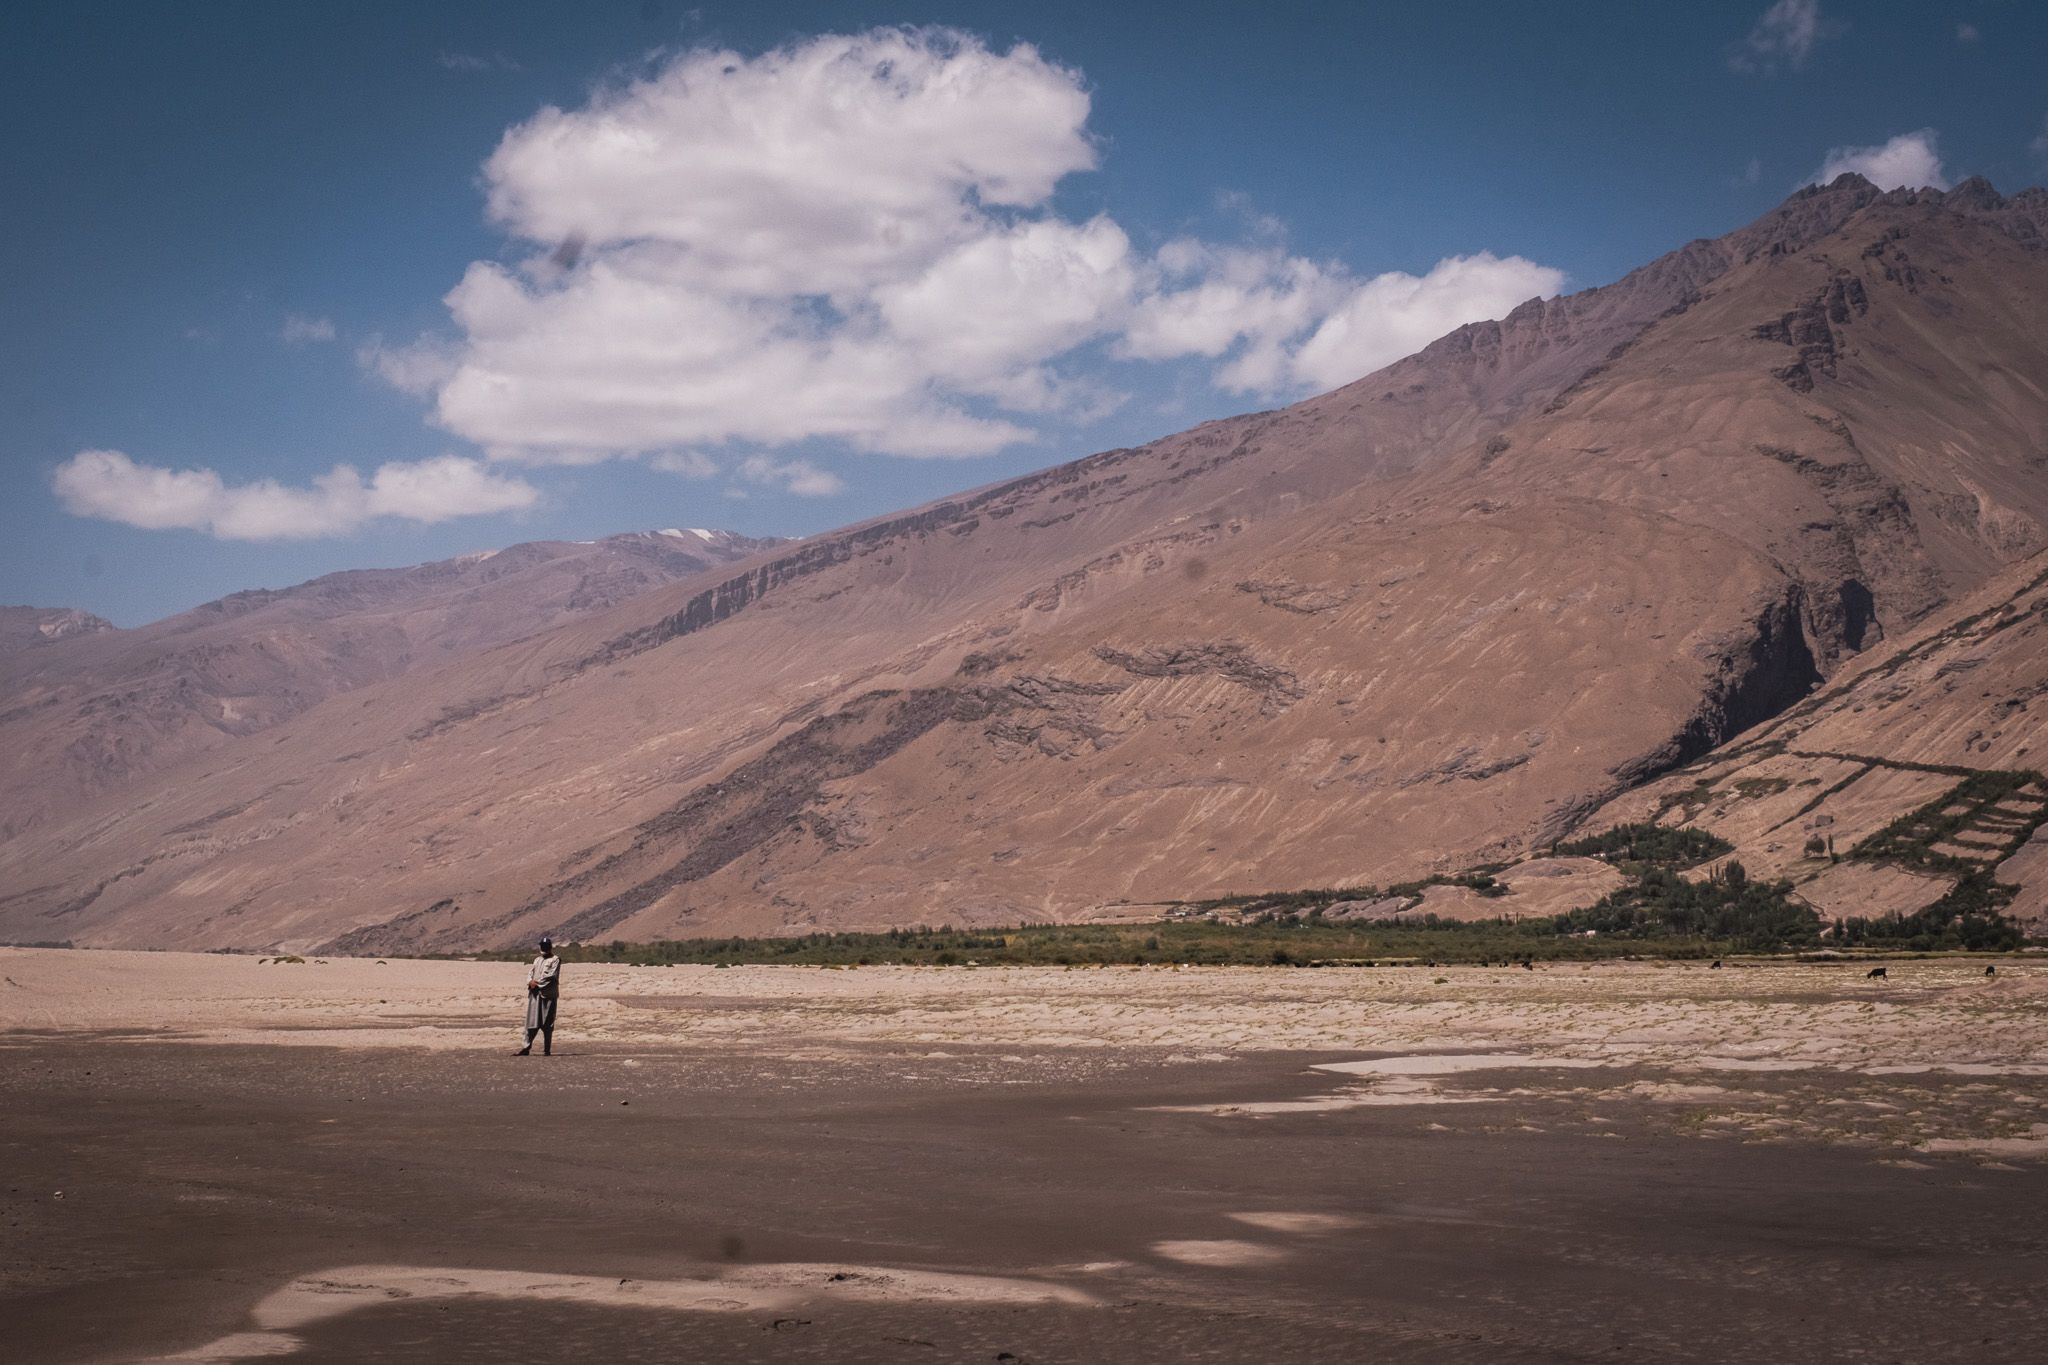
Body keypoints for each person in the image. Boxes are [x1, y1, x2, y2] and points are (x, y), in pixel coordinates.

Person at [516, 935, 561, 1056]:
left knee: (547, 1023)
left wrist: (537, 984)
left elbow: (551, 976)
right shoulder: (537, 960)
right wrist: (530, 982)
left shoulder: (555, 959)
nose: (544, 948)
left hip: (548, 995)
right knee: (531, 1022)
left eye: (546, 946)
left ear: (550, 947)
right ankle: (526, 1048)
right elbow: (530, 973)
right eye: (543, 946)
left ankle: (547, 1050)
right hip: (535, 995)